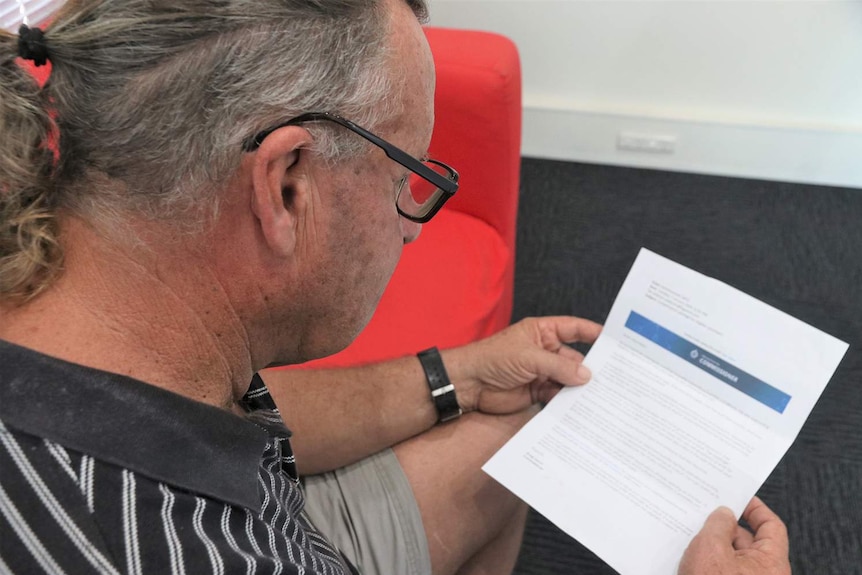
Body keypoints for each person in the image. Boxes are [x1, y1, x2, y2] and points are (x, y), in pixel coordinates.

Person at [0, 0, 790, 574]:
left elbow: (236, 414)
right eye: (408, 175)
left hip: (276, 506)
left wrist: (455, 376)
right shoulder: (158, 545)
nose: (414, 224)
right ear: (286, 186)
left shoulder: (115, 316)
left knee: (518, 443)